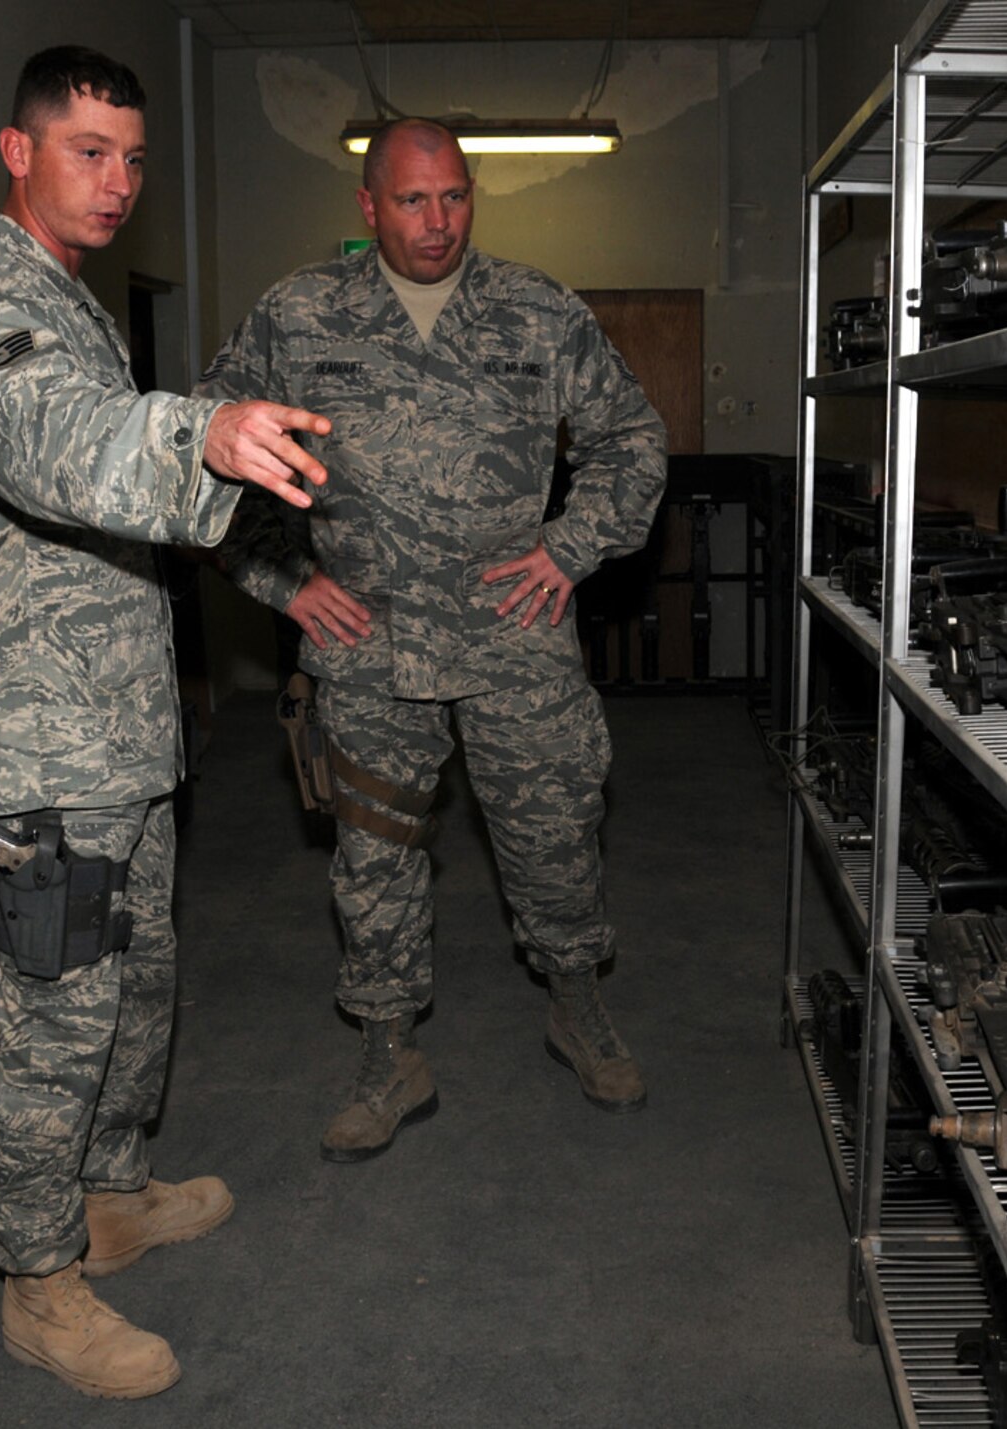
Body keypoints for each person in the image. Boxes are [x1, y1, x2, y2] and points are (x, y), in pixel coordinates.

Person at [0, 46, 330, 1399]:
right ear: (17, 151)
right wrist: (193, 436)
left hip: (116, 741)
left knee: (132, 989)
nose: (116, 181)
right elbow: (42, 438)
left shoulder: (72, 303)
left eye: (133, 158)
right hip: (37, 755)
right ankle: (37, 1281)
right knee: (48, 1021)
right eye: (88, 151)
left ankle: (107, 1198)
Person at [199, 118, 666, 1163]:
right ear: (368, 208)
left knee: (556, 833)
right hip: (369, 647)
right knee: (373, 861)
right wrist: (284, 582)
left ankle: (577, 1003)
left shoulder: (538, 309)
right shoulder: (298, 315)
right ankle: (387, 1051)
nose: (437, 221)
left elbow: (632, 440)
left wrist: (568, 548)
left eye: (454, 196)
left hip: (516, 639)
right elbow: (204, 451)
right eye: (412, 200)